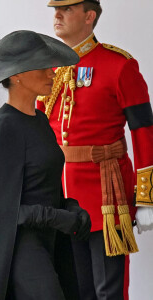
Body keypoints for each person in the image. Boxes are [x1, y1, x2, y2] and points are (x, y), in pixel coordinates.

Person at [0, 30, 91, 300]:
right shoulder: (1, 129)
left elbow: (43, 183)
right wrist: (58, 217)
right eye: (42, 67)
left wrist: (70, 208)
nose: (52, 72)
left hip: (50, 239)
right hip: (19, 246)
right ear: (16, 75)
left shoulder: (40, 120)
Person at [37, 0, 153, 299]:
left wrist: (146, 198)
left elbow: (143, 132)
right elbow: (37, 132)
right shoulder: (48, 68)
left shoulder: (119, 65)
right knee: (73, 290)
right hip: (59, 199)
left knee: (108, 291)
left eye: (67, 9)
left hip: (106, 195)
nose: (57, 15)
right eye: (55, 10)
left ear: (89, 16)